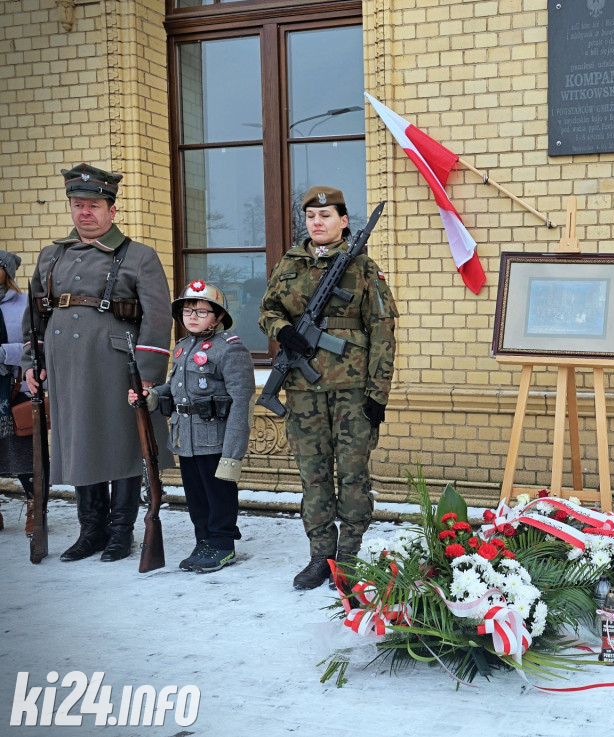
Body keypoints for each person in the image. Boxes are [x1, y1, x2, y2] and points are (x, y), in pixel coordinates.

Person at [23, 163, 173, 563]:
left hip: (115, 365)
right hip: (64, 367)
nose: (84, 212)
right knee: (77, 446)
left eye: (93, 205)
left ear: (113, 210)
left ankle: (121, 533)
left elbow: (158, 321)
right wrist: (30, 362)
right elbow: (36, 314)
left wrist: (149, 377)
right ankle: (91, 531)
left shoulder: (138, 256)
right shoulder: (51, 255)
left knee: (121, 446)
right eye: (77, 204)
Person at [259, 186, 397, 590]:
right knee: (313, 476)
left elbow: (384, 332)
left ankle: (349, 556)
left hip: (353, 391)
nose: (317, 223)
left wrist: (378, 393)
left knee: (353, 475)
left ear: (344, 221)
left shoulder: (363, 269)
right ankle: (321, 555)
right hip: (303, 390)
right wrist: (283, 330)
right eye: (311, 217)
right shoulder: (290, 264)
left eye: (326, 216)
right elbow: (268, 309)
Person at [129, 280, 255, 573]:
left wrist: (232, 455)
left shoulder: (230, 349)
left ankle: (222, 545)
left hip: (217, 440)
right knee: (196, 497)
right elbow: (174, 389)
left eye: (201, 311)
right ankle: (203, 541)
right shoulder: (184, 347)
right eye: (187, 311)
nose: (193, 317)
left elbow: (242, 403)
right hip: (186, 438)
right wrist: (151, 396)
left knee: (218, 496)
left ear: (218, 316)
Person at [0, 251, 34, 535]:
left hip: (15, 389)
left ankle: (35, 504)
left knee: (22, 452)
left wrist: (3, 352)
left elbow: (33, 343)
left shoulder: (23, 304)